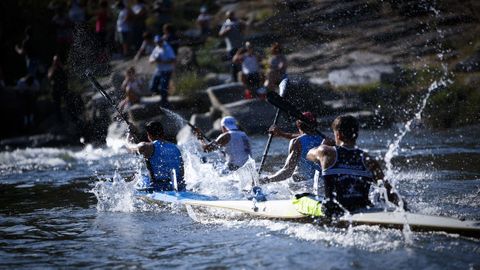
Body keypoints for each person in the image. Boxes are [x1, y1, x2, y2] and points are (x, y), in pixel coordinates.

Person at [306, 115, 399, 214]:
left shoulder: (326, 152)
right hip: (364, 210)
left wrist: (324, 145)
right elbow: (389, 192)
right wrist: (405, 209)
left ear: (338, 135)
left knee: (303, 198)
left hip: (335, 211)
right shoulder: (369, 160)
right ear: (356, 135)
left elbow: (309, 155)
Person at [259, 112, 330, 191]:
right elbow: (306, 137)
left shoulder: (296, 142)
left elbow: (287, 171)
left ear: (299, 126)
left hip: (304, 186)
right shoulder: (327, 141)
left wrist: (266, 180)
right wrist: (281, 134)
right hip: (323, 185)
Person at [128, 121, 186, 192]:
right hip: (179, 187)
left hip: (159, 188)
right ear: (163, 133)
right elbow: (182, 173)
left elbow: (129, 146)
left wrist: (129, 133)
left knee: (141, 179)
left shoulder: (145, 146)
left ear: (149, 135)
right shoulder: (175, 148)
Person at [149, 35, 176, 106]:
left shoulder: (168, 48)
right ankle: (163, 95)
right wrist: (155, 60)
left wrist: (162, 61)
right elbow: (151, 59)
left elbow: (173, 60)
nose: (158, 43)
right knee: (152, 87)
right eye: (157, 42)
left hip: (167, 70)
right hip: (159, 70)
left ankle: (164, 102)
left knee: (163, 87)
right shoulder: (156, 48)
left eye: (159, 42)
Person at [219, 11, 244, 82]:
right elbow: (220, 34)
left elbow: (243, 28)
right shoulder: (226, 24)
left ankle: (242, 79)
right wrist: (227, 30)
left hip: (239, 46)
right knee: (233, 63)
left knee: (241, 63)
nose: (231, 16)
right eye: (229, 15)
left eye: (232, 15)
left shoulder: (237, 22)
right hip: (231, 47)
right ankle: (234, 79)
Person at [48, 55, 69, 121]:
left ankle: (70, 116)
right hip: (55, 89)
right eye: (55, 61)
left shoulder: (62, 68)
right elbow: (49, 77)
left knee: (67, 102)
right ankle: (59, 119)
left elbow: (66, 77)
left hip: (63, 88)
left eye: (58, 61)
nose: (56, 62)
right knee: (57, 105)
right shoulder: (52, 69)